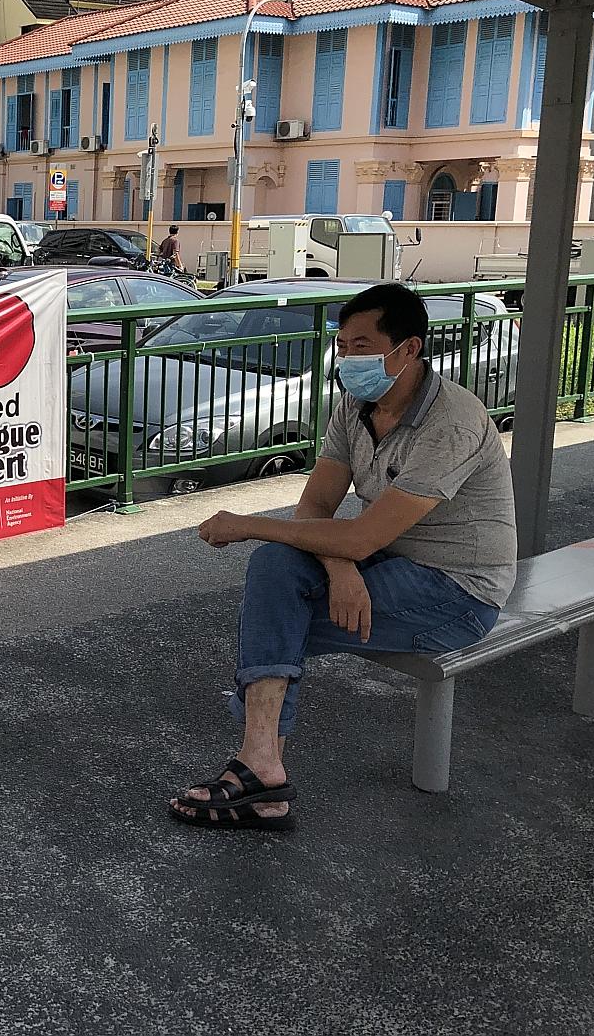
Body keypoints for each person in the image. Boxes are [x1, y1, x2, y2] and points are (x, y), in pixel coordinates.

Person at [169, 283, 516, 830]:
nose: (348, 358)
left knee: (277, 613)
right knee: (274, 571)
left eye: (362, 345)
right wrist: (341, 569)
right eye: (343, 345)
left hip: (457, 592)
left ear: (409, 350)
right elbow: (316, 506)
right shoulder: (356, 409)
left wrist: (244, 525)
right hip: (387, 561)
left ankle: (261, 769)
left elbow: (356, 536)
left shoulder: (452, 422)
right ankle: (263, 766)